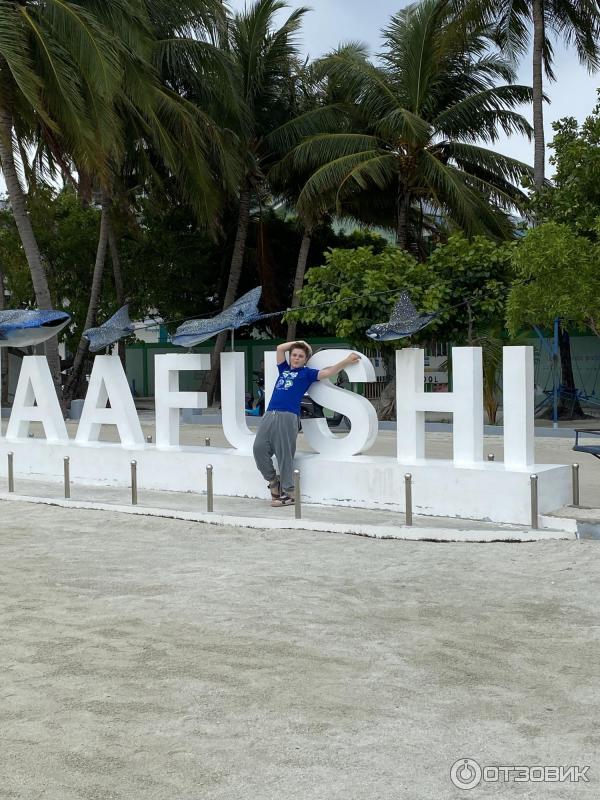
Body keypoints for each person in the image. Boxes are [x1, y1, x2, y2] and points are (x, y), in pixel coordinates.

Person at [253, 340, 360, 507]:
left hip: (288, 416)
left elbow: (329, 371)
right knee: (258, 449)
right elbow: (280, 348)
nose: (296, 358)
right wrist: (300, 342)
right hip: (269, 414)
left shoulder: (307, 374)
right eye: (294, 355)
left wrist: (346, 361)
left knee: (284, 454)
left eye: (300, 356)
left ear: (305, 359)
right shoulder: (284, 369)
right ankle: (274, 482)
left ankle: (289, 493)